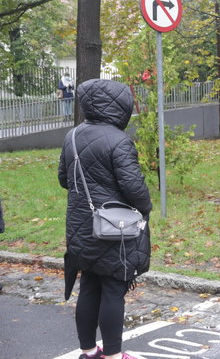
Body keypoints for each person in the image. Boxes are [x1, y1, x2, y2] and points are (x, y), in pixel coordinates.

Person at [58, 79, 152, 359]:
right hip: (114, 228)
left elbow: (64, 179)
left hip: (81, 227)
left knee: (88, 285)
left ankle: (88, 351)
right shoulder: (119, 140)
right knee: (113, 288)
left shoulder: (72, 136)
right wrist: (146, 206)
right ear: (120, 106)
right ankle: (112, 355)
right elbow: (134, 188)